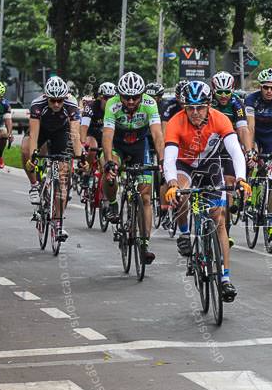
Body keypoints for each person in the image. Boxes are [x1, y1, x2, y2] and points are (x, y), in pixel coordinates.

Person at [164, 81, 251, 301]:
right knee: (181, 193)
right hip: (185, 165)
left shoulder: (220, 119)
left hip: (210, 166)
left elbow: (235, 152)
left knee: (219, 220)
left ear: (209, 105)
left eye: (200, 107)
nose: (195, 112)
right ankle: (184, 233)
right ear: (184, 106)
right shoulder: (176, 122)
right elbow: (170, 159)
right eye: (190, 107)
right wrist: (172, 183)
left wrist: (241, 178)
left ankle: (225, 278)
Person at [102, 71, 164, 264]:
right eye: (126, 97)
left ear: (142, 95)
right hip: (118, 146)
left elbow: (157, 134)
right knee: (110, 171)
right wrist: (109, 162)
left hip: (140, 147)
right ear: (119, 95)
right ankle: (112, 204)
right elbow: (107, 135)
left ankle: (144, 243)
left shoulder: (149, 104)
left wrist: (162, 161)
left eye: (135, 97)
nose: (130, 101)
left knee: (145, 196)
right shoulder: (112, 104)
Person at [21, 76, 84, 241]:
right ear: (46, 97)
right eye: (52, 100)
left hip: (61, 134)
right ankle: (35, 185)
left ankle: (58, 223)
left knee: (62, 179)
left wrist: (80, 157)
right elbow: (34, 134)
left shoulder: (71, 105)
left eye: (59, 101)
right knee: (25, 149)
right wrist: (33, 156)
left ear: (65, 98)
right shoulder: (37, 105)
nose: (56, 104)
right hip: (41, 130)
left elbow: (75, 134)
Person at [79, 82, 115, 181]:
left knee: (107, 161)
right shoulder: (91, 106)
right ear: (100, 97)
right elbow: (84, 125)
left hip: (106, 135)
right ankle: (87, 171)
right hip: (91, 134)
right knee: (93, 147)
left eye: (112, 98)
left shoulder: (116, 108)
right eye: (106, 98)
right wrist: (82, 144)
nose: (109, 101)